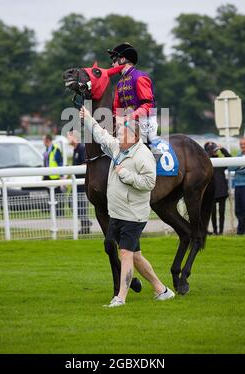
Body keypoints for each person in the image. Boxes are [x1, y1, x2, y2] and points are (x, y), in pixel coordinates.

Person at [80, 105, 175, 308]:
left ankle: (120, 298)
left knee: (125, 254)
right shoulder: (118, 147)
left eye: (122, 134)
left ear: (133, 137)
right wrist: (88, 118)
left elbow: (149, 183)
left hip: (133, 215)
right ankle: (161, 290)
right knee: (136, 257)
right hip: (117, 213)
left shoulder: (143, 156)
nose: (119, 137)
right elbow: (101, 135)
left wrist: (126, 175)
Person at [107, 42, 158, 144]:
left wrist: (129, 117)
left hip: (146, 121)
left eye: (114, 60)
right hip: (127, 123)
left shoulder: (140, 77)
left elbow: (148, 105)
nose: (112, 64)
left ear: (122, 60)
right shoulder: (119, 84)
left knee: (150, 141)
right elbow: (117, 110)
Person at [67, 130, 92, 235]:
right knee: (71, 203)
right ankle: (86, 223)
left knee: (81, 205)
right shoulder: (75, 149)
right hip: (76, 183)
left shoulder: (81, 148)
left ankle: (85, 226)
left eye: (68, 136)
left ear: (74, 137)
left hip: (82, 183)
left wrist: (74, 169)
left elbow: (85, 164)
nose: (67, 138)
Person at [204, 142, 231, 235]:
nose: (215, 152)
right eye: (212, 150)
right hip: (211, 192)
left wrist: (222, 149)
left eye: (215, 150)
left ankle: (221, 232)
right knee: (213, 213)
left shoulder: (221, 161)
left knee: (222, 213)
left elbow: (230, 159)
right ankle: (215, 231)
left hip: (222, 191)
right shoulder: (206, 163)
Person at [43, 134, 63, 217]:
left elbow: (60, 163)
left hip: (55, 176)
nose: (43, 142)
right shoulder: (47, 149)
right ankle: (53, 212)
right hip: (48, 176)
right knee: (50, 195)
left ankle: (59, 213)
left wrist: (62, 176)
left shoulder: (55, 149)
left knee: (57, 196)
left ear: (47, 140)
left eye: (43, 140)